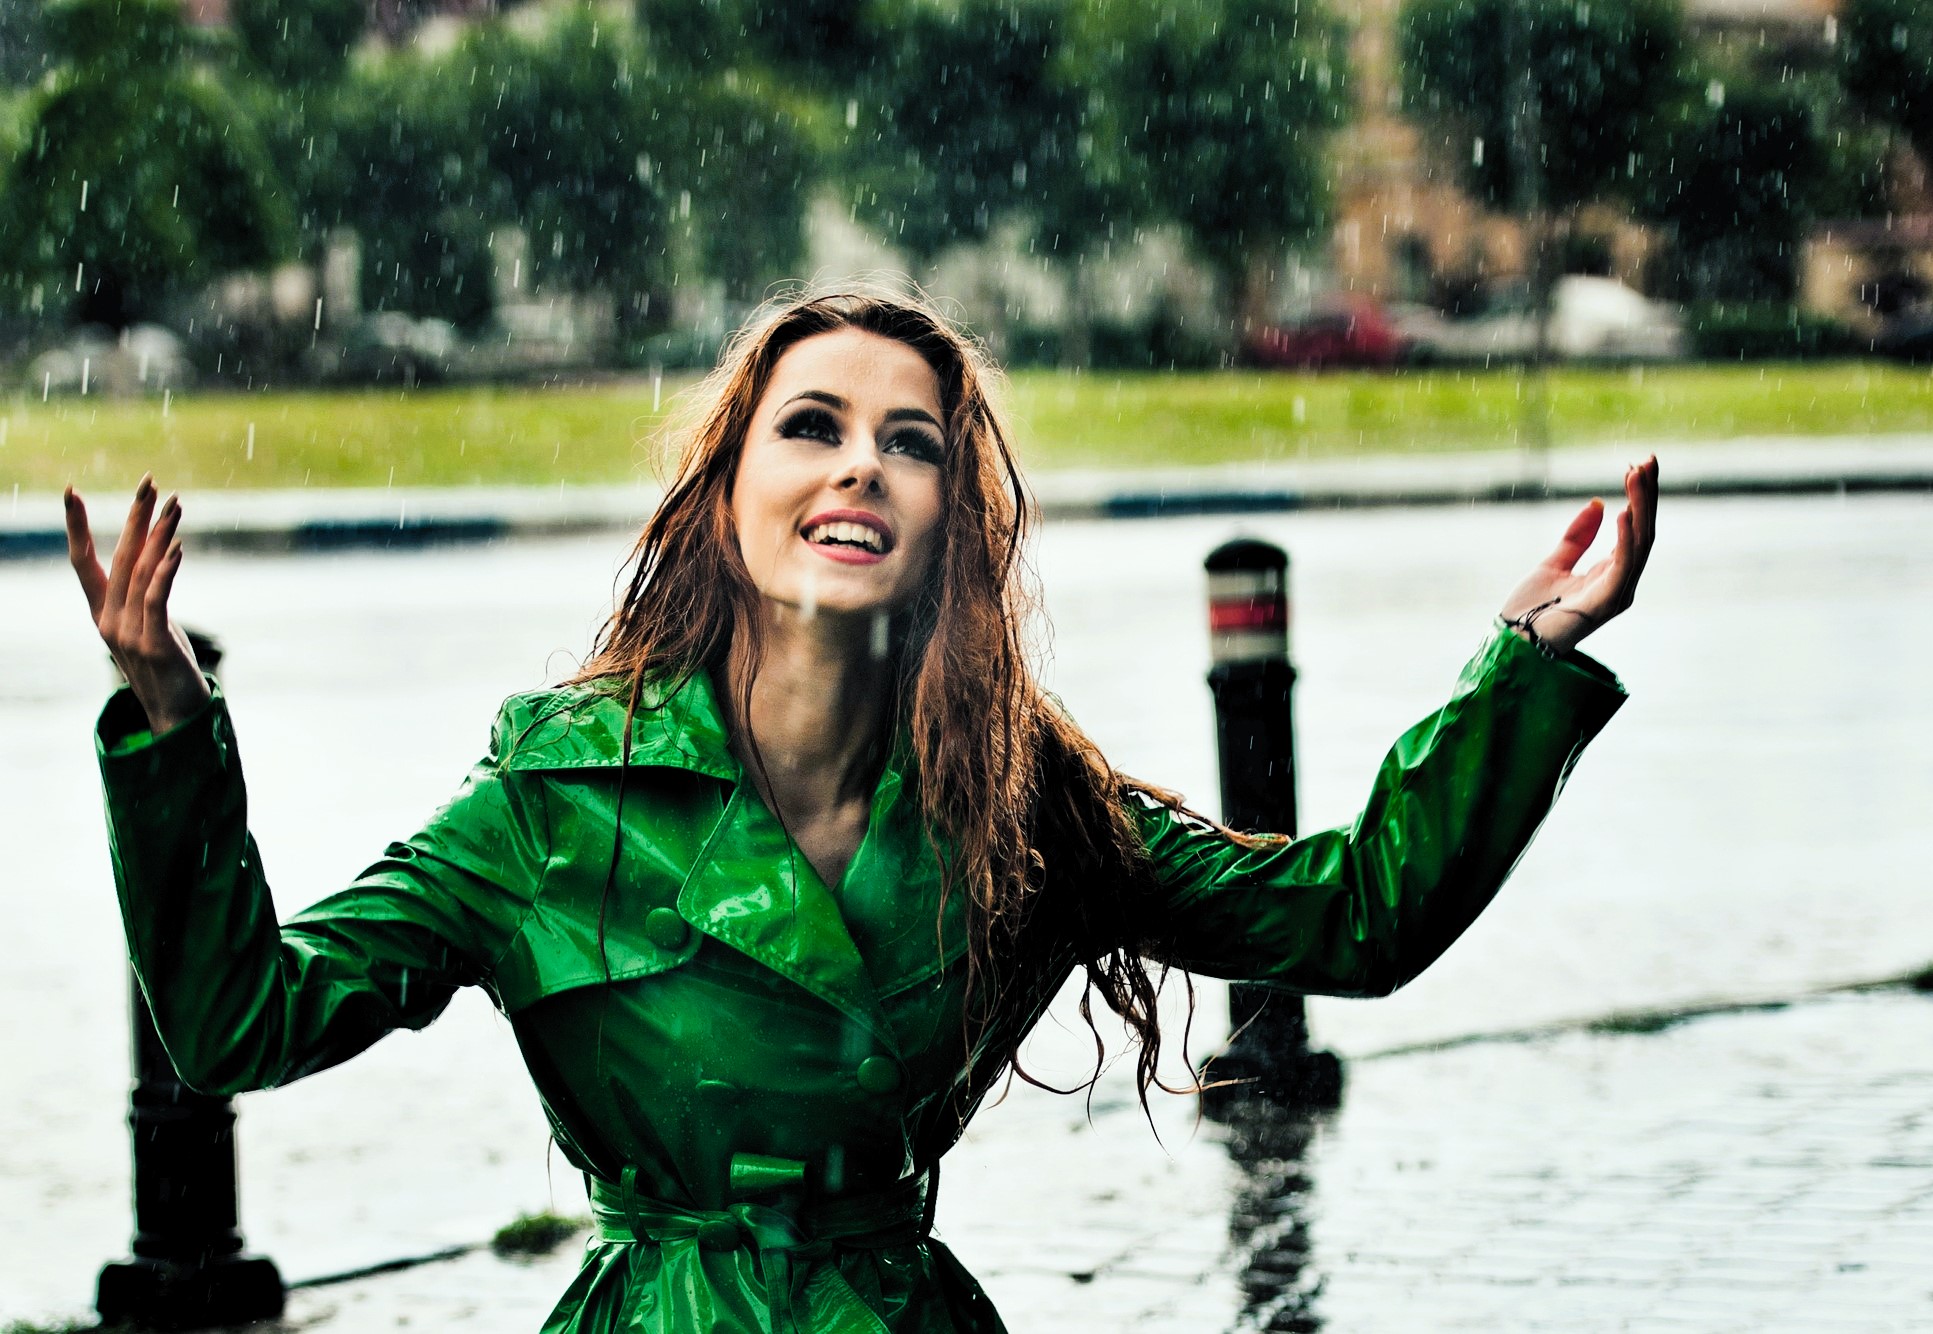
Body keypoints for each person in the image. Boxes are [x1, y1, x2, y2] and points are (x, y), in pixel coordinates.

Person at [66, 290, 1657, 1334]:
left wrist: (1522, 662)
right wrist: (169, 716)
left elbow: (1344, 918)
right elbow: (242, 1021)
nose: (862, 468)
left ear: (952, 520)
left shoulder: (1023, 800)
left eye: (913, 442)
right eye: (812, 425)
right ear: (725, 489)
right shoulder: (551, 805)